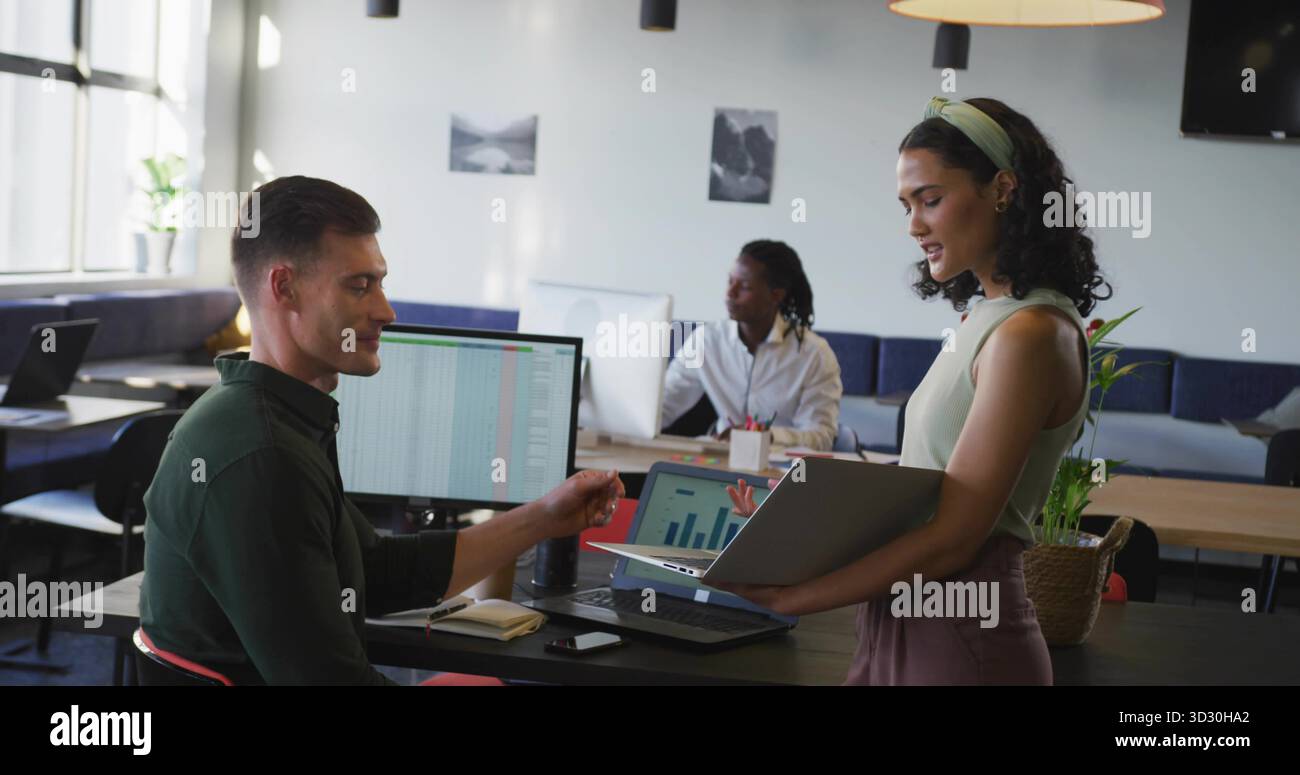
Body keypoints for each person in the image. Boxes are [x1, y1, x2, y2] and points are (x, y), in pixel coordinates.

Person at [139, 175, 624, 685]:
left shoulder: (266, 417)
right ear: (284, 287)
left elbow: (375, 571)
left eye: (380, 282)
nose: (386, 311)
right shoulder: (263, 454)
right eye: (359, 285)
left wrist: (543, 517)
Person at [720, 97, 1110, 685]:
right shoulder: (990, 318)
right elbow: (929, 480)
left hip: (960, 633)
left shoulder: (1030, 334)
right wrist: (810, 509)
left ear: (1003, 189)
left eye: (931, 199)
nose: (914, 225)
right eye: (907, 205)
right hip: (909, 621)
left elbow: (953, 540)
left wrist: (790, 598)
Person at [660, 239, 843, 450]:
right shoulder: (706, 341)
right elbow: (662, 407)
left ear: (776, 295)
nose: (730, 293)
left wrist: (766, 435)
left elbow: (821, 437)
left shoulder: (814, 354)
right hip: (721, 458)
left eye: (744, 286)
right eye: (730, 281)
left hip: (784, 471)